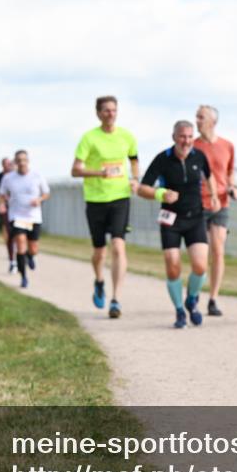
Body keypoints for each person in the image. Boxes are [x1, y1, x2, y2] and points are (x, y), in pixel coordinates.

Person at [137, 120, 219, 328]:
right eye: (182, 136)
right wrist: (161, 193)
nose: (187, 140)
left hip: (195, 218)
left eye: (190, 136)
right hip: (170, 220)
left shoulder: (199, 156)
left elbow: (209, 177)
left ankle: (192, 299)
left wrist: (215, 196)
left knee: (200, 267)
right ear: (174, 137)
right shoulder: (162, 159)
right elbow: (142, 189)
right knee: (173, 266)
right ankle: (180, 311)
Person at [71, 96, 139, 318]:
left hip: (120, 197)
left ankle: (116, 299)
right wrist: (99, 172)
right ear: (98, 113)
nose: (111, 114)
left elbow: (134, 159)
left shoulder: (126, 136)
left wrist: (135, 178)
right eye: (106, 111)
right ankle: (99, 280)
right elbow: (75, 170)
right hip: (95, 200)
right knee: (100, 251)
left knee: (119, 246)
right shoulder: (89, 138)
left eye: (114, 110)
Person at [193, 104, 237, 317]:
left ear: (213, 121)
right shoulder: (192, 146)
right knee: (200, 255)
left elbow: (229, 173)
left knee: (218, 250)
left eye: (201, 117)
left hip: (221, 204)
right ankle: (195, 294)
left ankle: (213, 298)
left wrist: (232, 187)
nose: (197, 121)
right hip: (198, 205)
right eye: (197, 117)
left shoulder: (227, 145)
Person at [0, 150, 50, 288]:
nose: (21, 163)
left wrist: (39, 200)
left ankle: (31, 255)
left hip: (34, 217)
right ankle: (23, 277)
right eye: (18, 160)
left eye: (23, 160)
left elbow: (46, 193)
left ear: (28, 161)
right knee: (20, 243)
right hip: (17, 216)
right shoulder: (8, 178)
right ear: (15, 162)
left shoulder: (37, 176)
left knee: (33, 247)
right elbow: (1, 194)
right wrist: (2, 203)